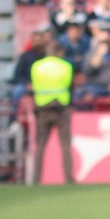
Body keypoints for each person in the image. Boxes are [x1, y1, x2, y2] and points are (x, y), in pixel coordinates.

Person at [29, 38, 76, 185]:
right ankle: (69, 178)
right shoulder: (66, 66)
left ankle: (36, 179)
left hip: (42, 108)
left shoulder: (36, 66)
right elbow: (70, 85)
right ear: (59, 52)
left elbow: (34, 85)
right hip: (62, 107)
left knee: (40, 146)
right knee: (65, 145)